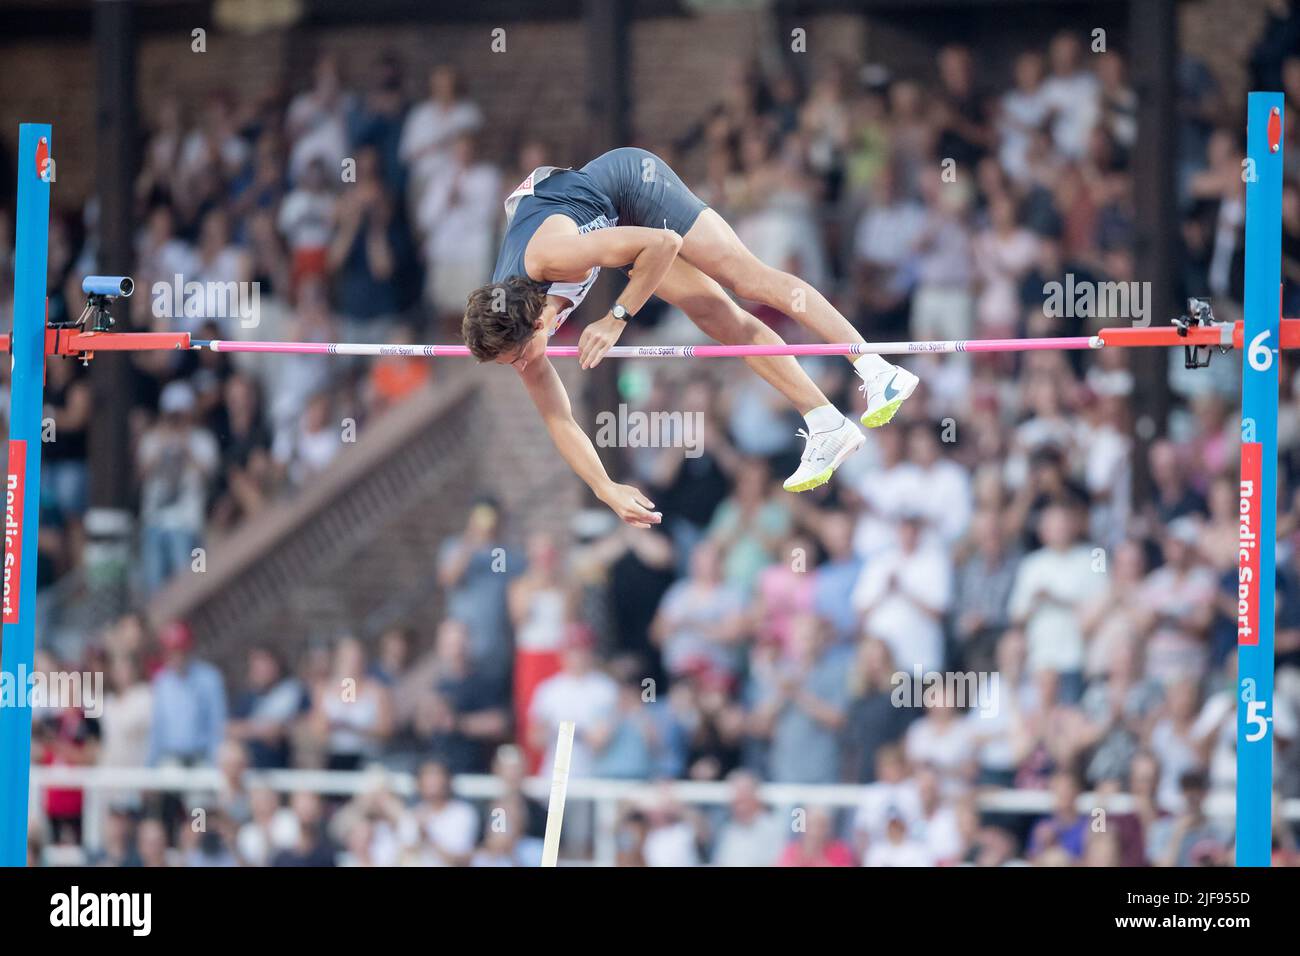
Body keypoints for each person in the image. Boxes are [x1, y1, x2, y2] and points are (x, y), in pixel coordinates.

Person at [461, 147, 921, 527]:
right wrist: (606, 488)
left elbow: (663, 245)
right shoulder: (511, 330)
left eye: (518, 358)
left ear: (537, 324)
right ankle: (826, 421)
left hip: (632, 183)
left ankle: (876, 367)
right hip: (609, 223)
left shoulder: (554, 256)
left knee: (747, 279)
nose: (520, 367)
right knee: (720, 320)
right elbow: (558, 419)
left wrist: (616, 317)